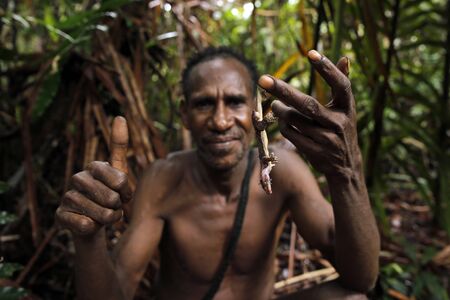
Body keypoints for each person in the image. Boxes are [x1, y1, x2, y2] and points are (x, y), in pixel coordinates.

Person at [55, 46, 380, 300]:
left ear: (256, 111)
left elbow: (362, 278)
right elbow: (118, 290)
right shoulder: (164, 180)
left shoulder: (283, 172)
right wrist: (89, 240)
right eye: (204, 104)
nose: (221, 121)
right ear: (184, 114)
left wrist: (347, 171)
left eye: (236, 102)